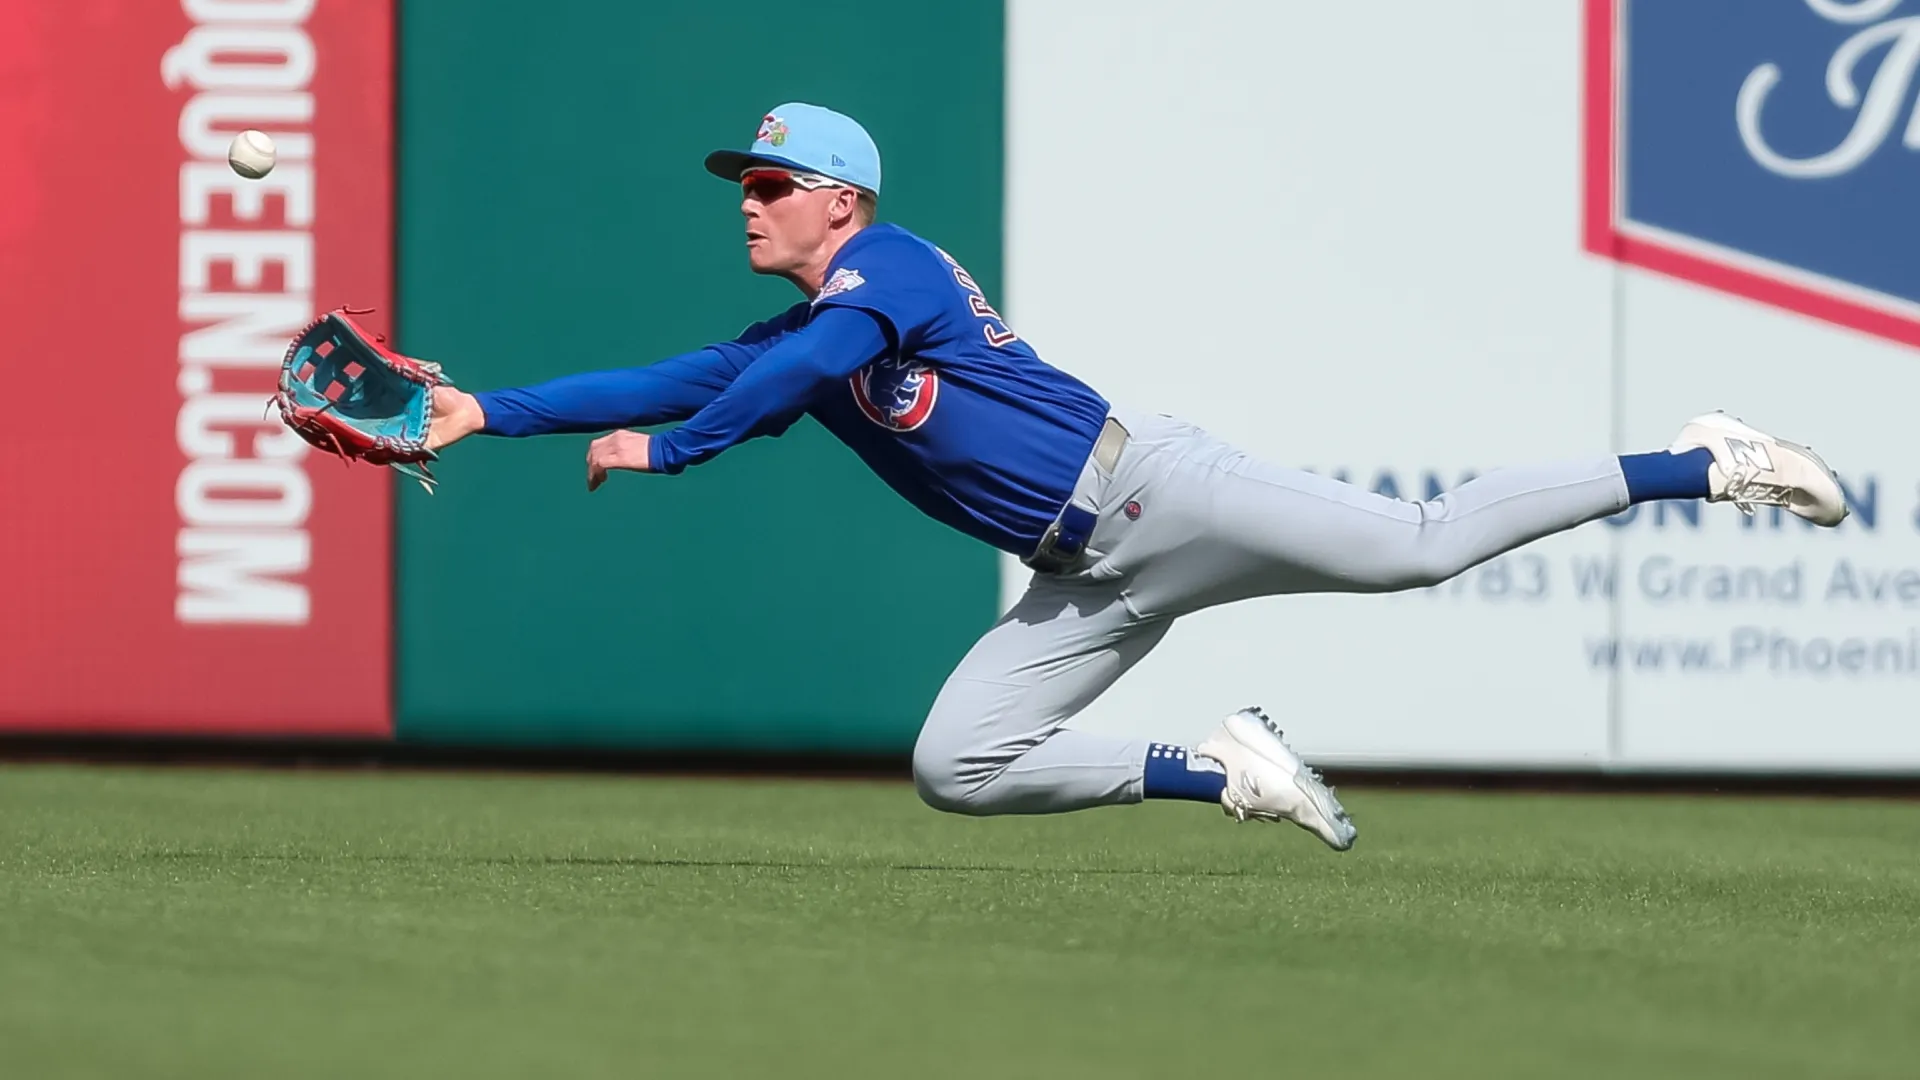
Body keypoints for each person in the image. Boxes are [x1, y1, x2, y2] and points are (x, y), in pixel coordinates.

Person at [420, 102, 1849, 852]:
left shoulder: (890, 272)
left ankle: (1699, 458)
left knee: (1415, 546)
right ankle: (1223, 767)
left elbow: (761, 389)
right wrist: (487, 410)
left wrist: (677, 449)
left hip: (1159, 490)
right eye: (746, 181)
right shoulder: (798, 328)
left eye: (772, 182)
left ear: (842, 201)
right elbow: (674, 378)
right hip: (1083, 580)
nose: (750, 197)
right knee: (954, 770)